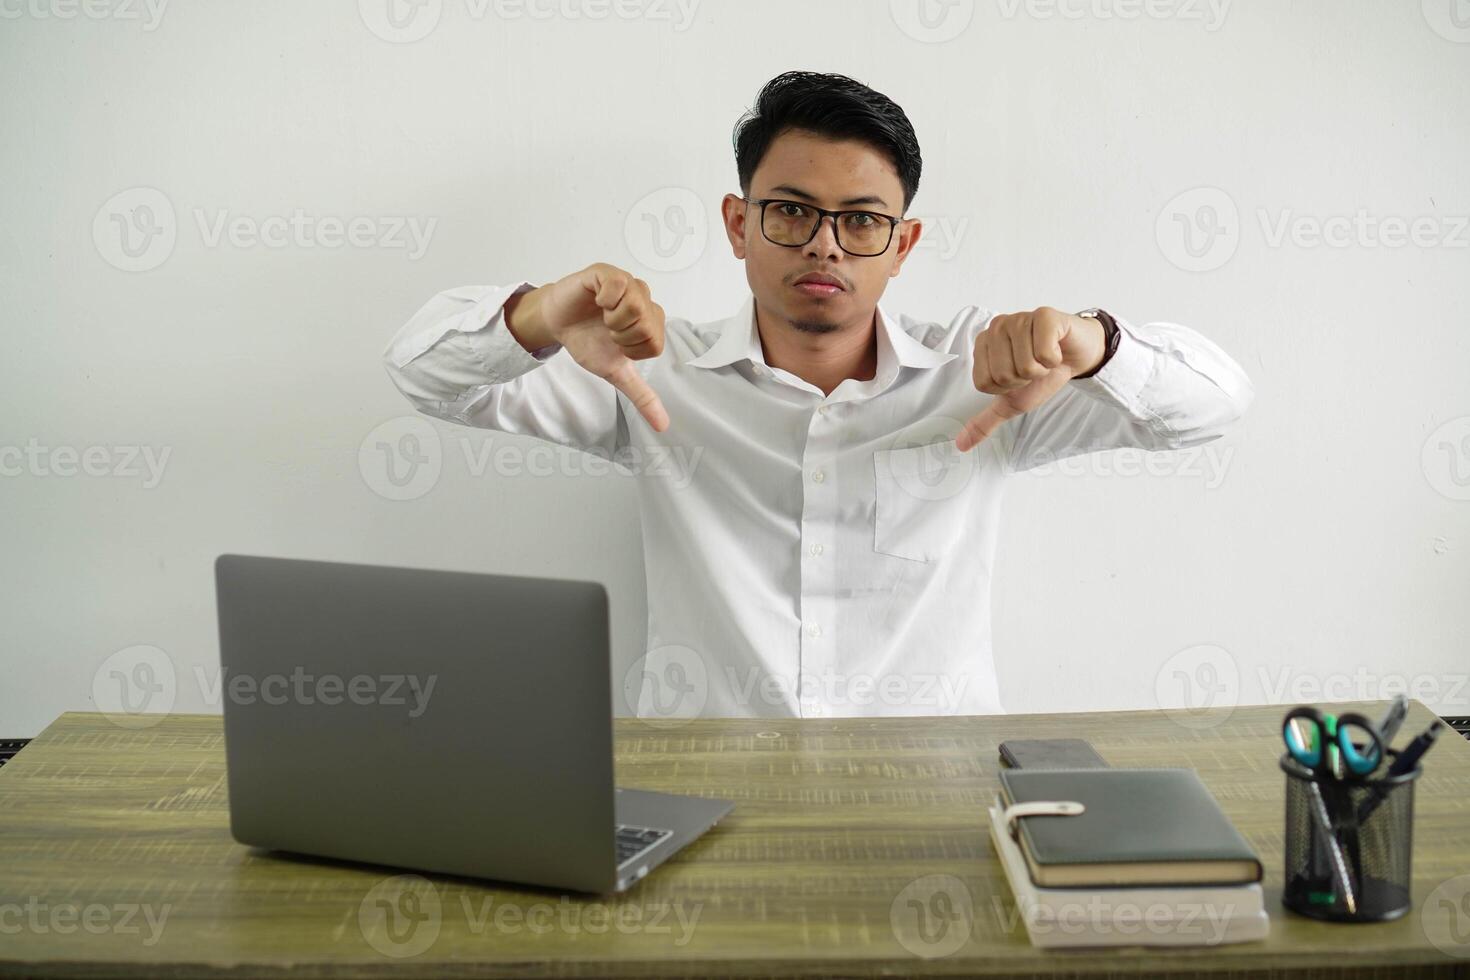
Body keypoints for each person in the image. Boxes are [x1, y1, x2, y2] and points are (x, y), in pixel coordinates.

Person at [381, 70, 1253, 720]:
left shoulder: (985, 379)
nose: (825, 247)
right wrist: (536, 316)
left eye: (862, 220)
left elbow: (1219, 403)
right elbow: (421, 373)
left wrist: (1097, 343)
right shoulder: (645, 370)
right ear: (738, 223)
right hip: (701, 799)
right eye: (791, 212)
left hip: (933, 801)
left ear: (902, 243)